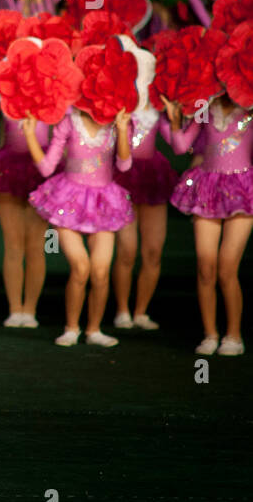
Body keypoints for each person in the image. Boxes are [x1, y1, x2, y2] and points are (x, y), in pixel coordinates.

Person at [24, 109, 133, 347]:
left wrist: (123, 129)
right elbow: (46, 167)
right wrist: (31, 135)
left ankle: (94, 330)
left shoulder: (117, 122)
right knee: (81, 267)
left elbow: (124, 165)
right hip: (68, 200)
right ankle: (71, 328)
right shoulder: (69, 122)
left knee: (101, 271)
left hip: (104, 203)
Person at [165, 94, 251, 356]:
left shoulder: (249, 107)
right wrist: (175, 119)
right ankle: (210, 334)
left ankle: (234, 336)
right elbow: (181, 146)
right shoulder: (204, 106)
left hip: (242, 189)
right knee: (205, 266)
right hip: (207, 188)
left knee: (227, 268)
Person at [0, 116, 51, 328]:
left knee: (36, 246)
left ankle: (30, 309)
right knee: (13, 244)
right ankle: (15, 309)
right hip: (8, 168)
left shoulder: (52, 98)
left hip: (41, 169)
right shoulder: (5, 95)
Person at [111, 104, 178, 331]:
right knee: (127, 250)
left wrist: (174, 118)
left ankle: (141, 311)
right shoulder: (120, 97)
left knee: (153, 251)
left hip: (153, 177)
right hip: (123, 172)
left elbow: (177, 144)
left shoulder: (159, 102)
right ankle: (122, 310)